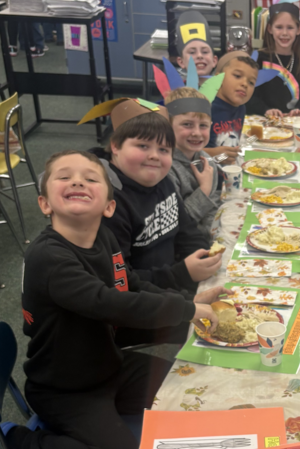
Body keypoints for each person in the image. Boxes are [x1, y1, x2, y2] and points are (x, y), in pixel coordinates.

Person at [0, 150, 221, 449]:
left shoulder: (104, 239)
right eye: (64, 177)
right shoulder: (48, 257)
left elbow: (132, 284)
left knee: (188, 390)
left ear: (109, 206)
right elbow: (110, 303)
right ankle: (17, 442)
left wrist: (188, 301)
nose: (78, 181)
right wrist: (186, 311)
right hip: (65, 388)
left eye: (90, 178)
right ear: (44, 203)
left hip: (109, 366)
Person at [79, 99, 222, 295]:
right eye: (143, 146)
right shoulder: (108, 204)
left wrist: (202, 254)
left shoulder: (162, 181)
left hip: (173, 286)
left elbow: (186, 230)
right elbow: (119, 282)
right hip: (144, 305)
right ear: (115, 146)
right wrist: (181, 274)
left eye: (163, 149)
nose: (155, 156)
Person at [164, 86, 224, 232]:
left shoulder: (207, 161)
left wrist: (211, 237)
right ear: (168, 126)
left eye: (203, 126)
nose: (197, 133)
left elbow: (213, 207)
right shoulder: (166, 169)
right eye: (187, 124)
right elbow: (177, 223)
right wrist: (204, 189)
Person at [247, 0, 300, 118]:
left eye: (290, 28)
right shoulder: (258, 59)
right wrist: (266, 110)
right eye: (279, 27)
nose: (284, 33)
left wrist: (299, 109)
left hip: (292, 124)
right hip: (264, 124)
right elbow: (250, 96)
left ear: (299, 29)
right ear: (270, 28)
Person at [210, 51, 262, 147]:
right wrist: (214, 154)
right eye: (237, 76)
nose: (245, 84)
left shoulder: (241, 109)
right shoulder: (206, 109)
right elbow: (186, 152)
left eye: (251, 82)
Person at [175, 9, 218, 79]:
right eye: (192, 52)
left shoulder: (223, 89)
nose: (199, 56)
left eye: (205, 52)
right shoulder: (176, 89)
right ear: (181, 62)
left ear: (214, 60)